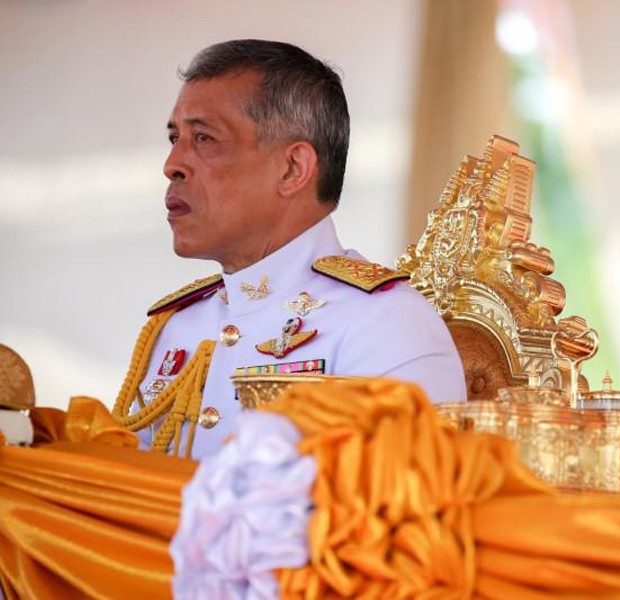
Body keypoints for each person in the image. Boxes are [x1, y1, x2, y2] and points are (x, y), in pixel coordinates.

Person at [111, 39, 466, 460]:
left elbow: (395, 508)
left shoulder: (384, 325)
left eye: (204, 138)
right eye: (175, 137)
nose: (173, 163)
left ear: (293, 169)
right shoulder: (177, 326)